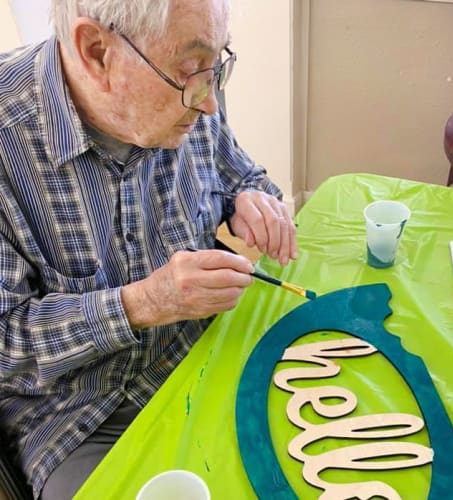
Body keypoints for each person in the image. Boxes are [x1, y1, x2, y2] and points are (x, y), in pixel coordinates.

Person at [0, 0, 297, 498]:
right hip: (81, 415)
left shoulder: (194, 84)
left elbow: (237, 172)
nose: (209, 104)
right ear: (96, 51)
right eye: (188, 72)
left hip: (206, 348)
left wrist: (252, 197)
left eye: (215, 65)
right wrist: (142, 304)